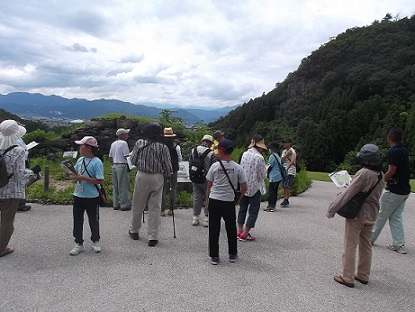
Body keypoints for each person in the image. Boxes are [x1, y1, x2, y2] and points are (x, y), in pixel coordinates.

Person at [327, 144, 384, 287]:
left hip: (358, 214)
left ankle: (347, 277)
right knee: (366, 245)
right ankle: (363, 275)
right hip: (372, 214)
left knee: (350, 244)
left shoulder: (364, 173)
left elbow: (348, 194)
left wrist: (332, 209)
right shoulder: (380, 174)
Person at [128, 122, 172, 247]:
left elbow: (133, 160)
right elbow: (168, 167)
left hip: (142, 175)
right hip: (157, 177)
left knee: (138, 204)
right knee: (155, 207)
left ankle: (134, 230)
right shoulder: (163, 147)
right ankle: (153, 236)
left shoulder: (139, 143)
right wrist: (167, 175)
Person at [206, 139, 247, 265]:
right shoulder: (237, 168)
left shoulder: (215, 166)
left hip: (214, 200)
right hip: (229, 201)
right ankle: (232, 254)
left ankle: (214, 256)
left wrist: (207, 202)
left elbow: (208, 186)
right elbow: (244, 187)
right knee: (230, 228)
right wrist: (237, 199)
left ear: (222, 152)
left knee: (214, 228)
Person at [371, 127, 411, 254]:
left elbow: (391, 171)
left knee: (381, 214)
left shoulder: (394, 152)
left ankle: (369, 239)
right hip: (404, 190)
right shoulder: (404, 150)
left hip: (394, 190)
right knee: (396, 217)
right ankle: (399, 244)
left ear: (389, 137)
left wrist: (379, 182)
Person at [0, 120, 34, 257]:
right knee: (7, 220)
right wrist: (32, 172)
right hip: (10, 191)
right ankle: (2, 248)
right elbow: (20, 174)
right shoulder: (18, 151)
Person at [69, 136, 104, 256]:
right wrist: (71, 175)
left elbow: (99, 180)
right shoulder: (80, 160)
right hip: (78, 195)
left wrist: (83, 178)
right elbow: (77, 175)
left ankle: (95, 240)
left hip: (92, 196)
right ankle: (78, 243)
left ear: (88, 148)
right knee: (77, 220)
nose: (80, 147)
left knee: (94, 220)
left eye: (81, 145)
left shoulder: (97, 162)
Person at [237, 134, 267, 241]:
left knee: (242, 209)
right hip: (255, 187)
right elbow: (262, 175)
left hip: (243, 186)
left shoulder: (244, 154)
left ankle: (239, 231)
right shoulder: (260, 158)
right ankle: (245, 233)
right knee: (253, 211)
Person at [191, 134, 216, 226]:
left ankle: (195, 218)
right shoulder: (211, 153)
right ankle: (206, 218)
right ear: (209, 142)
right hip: (207, 179)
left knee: (197, 197)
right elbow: (214, 166)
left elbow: (191, 163)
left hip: (195, 177)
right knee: (207, 197)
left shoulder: (194, 150)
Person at [161, 127, 182, 216]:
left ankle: (162, 210)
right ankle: (171, 209)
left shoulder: (161, 146)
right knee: (173, 189)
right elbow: (180, 159)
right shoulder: (177, 147)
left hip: (164, 170)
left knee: (163, 190)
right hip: (174, 169)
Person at [109, 128, 131, 211]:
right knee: (123, 185)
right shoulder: (124, 143)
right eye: (126, 134)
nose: (127, 136)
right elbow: (127, 156)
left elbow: (110, 157)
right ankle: (124, 204)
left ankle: (116, 203)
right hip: (122, 165)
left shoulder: (113, 144)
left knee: (116, 185)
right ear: (122, 135)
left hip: (115, 165)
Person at [265, 142, 284, 212]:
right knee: (275, 192)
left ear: (272, 149)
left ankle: (270, 206)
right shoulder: (278, 156)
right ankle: (273, 205)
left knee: (271, 192)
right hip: (278, 176)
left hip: (274, 177)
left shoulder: (272, 156)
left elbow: (270, 166)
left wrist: (267, 173)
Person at [280, 138, 296, 207]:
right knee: (284, 185)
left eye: (286, 142)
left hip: (290, 170)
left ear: (290, 143)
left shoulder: (292, 151)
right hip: (284, 169)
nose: (285, 144)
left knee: (287, 185)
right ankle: (285, 198)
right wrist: (286, 154)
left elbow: (292, 161)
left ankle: (286, 199)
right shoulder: (284, 151)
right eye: (284, 143)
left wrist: (287, 168)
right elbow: (282, 160)